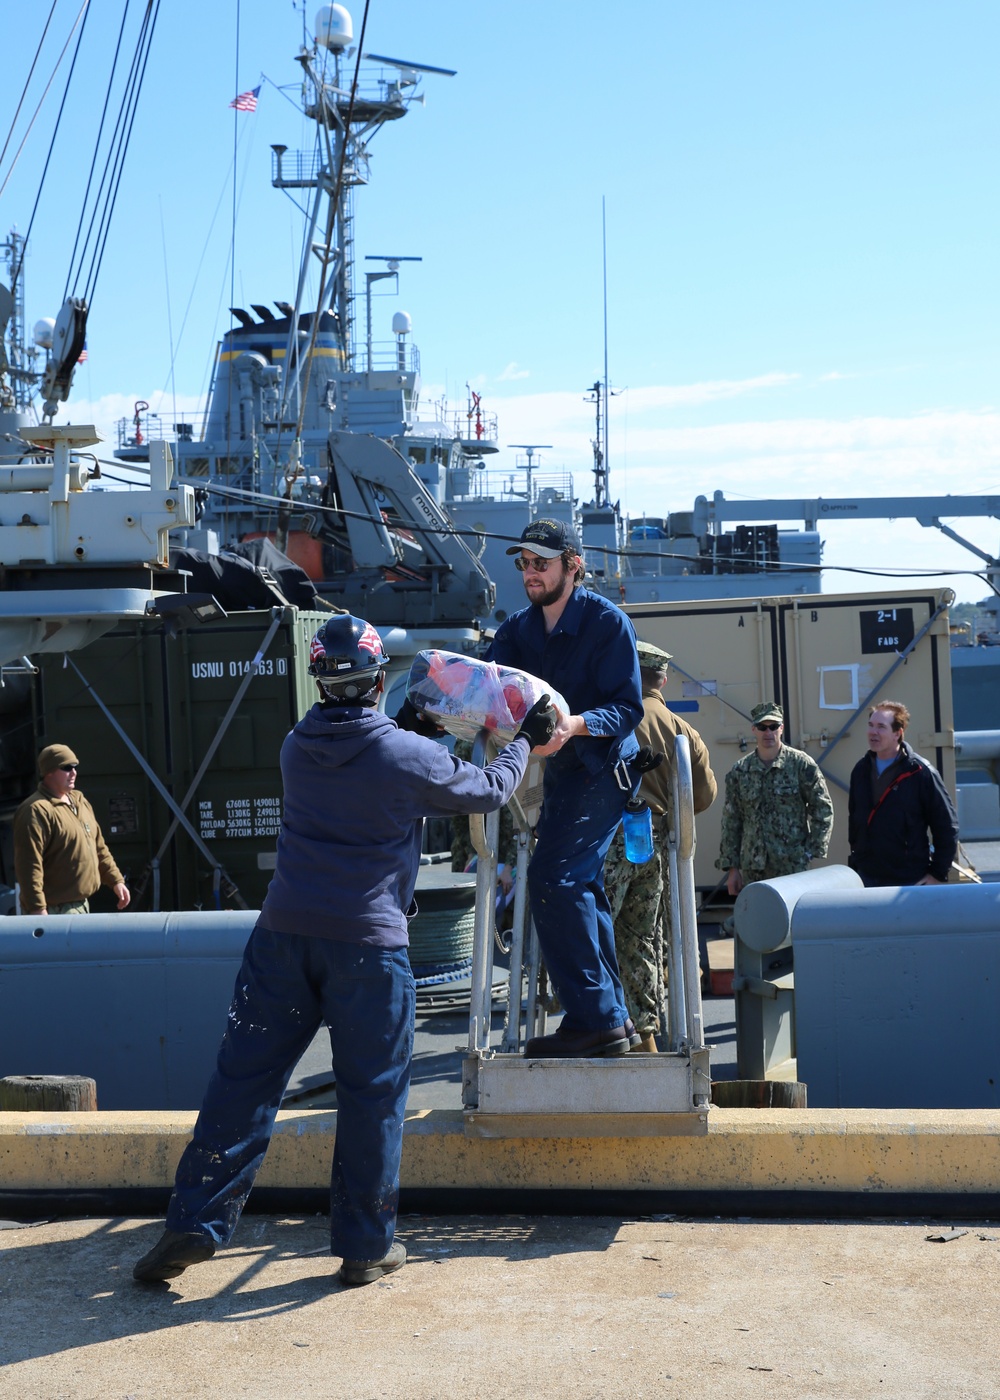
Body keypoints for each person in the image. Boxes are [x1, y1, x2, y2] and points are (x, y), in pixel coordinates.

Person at [133, 614, 554, 1287]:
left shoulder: (297, 745)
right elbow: (487, 790)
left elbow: (369, 759)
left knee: (243, 1083)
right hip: (367, 948)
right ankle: (364, 1247)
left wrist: (410, 729)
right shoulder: (403, 756)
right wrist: (523, 741)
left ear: (321, 681)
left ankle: (193, 1222)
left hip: (281, 939)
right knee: (373, 1097)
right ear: (378, 679)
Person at [487, 518, 644, 1058]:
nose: (529, 572)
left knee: (553, 878)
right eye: (523, 563)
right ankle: (613, 1020)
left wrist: (573, 725)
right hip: (557, 773)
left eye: (541, 563)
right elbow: (488, 682)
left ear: (572, 567)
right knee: (582, 888)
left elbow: (627, 709)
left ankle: (593, 1019)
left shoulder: (607, 624)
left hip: (599, 769)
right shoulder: (518, 630)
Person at [604, 642, 717, 1052]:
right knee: (641, 938)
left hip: (605, 836)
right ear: (663, 679)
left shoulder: (609, 715)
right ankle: (645, 1038)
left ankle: (592, 1020)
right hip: (653, 839)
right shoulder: (681, 730)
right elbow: (702, 797)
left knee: (592, 926)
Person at [717, 702, 834, 897]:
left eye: (773, 726)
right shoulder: (740, 771)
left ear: (782, 728)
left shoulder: (801, 765)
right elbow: (731, 820)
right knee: (758, 922)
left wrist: (811, 851)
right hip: (754, 868)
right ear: (754, 729)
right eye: (762, 727)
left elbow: (822, 807)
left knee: (794, 921)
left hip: (792, 866)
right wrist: (732, 868)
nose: (768, 732)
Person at [848, 699, 958, 887]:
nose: (873, 732)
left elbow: (947, 826)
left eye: (881, 727)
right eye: (871, 725)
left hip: (908, 880)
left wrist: (938, 874)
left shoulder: (920, 772)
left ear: (897, 734)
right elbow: (855, 822)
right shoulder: (861, 770)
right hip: (867, 878)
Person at [13, 744, 130, 916]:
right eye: (66, 768)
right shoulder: (35, 810)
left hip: (80, 907)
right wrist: (38, 910)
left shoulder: (80, 801)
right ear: (49, 772)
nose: (73, 772)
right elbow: (29, 866)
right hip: (53, 912)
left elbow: (99, 848)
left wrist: (116, 880)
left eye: (75, 767)